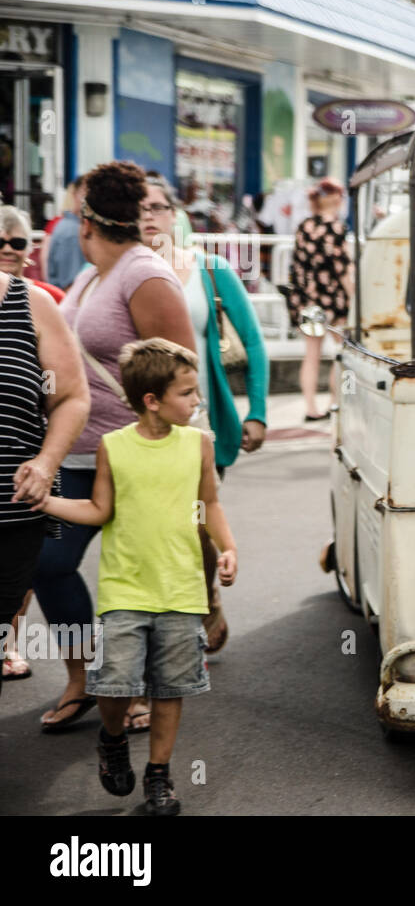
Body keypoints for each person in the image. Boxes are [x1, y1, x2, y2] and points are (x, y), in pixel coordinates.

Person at [36, 338, 236, 815]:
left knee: (169, 689)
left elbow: (209, 503)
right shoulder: (114, 447)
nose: (196, 402)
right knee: (113, 684)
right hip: (125, 590)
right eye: (187, 393)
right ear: (152, 400)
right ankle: (112, 738)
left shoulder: (198, 445)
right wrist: (46, 500)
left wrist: (227, 547)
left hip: (182, 590)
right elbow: (99, 508)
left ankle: (159, 776)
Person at [32, 161, 197, 732]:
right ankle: (86, 679)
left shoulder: (145, 276)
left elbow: (181, 370)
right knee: (49, 563)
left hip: (139, 457)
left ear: (86, 219)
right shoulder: (88, 278)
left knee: (144, 576)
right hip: (79, 453)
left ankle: (143, 687)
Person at [140, 174, 268, 653]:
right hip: (139, 427)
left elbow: (254, 343)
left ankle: (205, 597)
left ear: (174, 214)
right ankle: (168, 618)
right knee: (155, 528)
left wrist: (257, 411)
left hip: (200, 425)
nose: (148, 217)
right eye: (139, 209)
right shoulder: (123, 275)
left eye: (156, 206)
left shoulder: (211, 270)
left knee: (193, 523)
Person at [0, 206, 90, 693]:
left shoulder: (32, 303)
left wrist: (45, 460)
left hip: (11, 512)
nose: (10, 250)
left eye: (17, 242)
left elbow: (73, 397)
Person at [289, 178, 353, 421]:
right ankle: (336, 402)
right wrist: (353, 297)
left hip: (308, 300)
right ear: (337, 198)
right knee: (341, 353)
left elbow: (297, 266)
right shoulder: (336, 228)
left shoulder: (304, 226)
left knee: (311, 354)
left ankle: (310, 408)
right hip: (335, 301)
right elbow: (344, 269)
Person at [43, 175, 87, 290]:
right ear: (74, 195)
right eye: (85, 193)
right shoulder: (72, 233)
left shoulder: (73, 227)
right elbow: (71, 285)